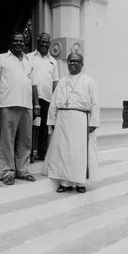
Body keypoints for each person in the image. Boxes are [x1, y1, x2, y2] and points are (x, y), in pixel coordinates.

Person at [43, 52, 99, 193]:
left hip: (81, 121)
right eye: (70, 61)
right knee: (64, 152)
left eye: (75, 61)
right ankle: (65, 182)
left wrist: (93, 122)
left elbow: (95, 104)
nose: (72, 64)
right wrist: (52, 121)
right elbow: (54, 103)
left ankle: (80, 182)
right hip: (63, 121)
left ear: (82, 64)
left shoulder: (89, 81)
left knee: (78, 152)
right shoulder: (62, 81)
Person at [0, 32, 40, 185]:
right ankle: (7, 172)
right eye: (15, 41)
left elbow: (34, 85)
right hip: (7, 104)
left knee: (26, 140)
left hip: (27, 106)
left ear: (25, 43)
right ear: (10, 43)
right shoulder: (1, 58)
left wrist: (36, 104)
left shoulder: (29, 60)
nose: (18, 43)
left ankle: (22, 171)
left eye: (21, 41)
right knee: (7, 140)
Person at [28, 32, 59, 162]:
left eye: (47, 42)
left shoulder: (53, 61)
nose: (44, 44)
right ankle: (28, 154)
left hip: (47, 98)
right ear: (37, 42)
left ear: (49, 44)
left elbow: (55, 82)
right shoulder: (28, 57)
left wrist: (56, 101)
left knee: (44, 127)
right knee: (29, 126)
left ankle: (42, 153)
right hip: (30, 97)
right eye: (42, 41)